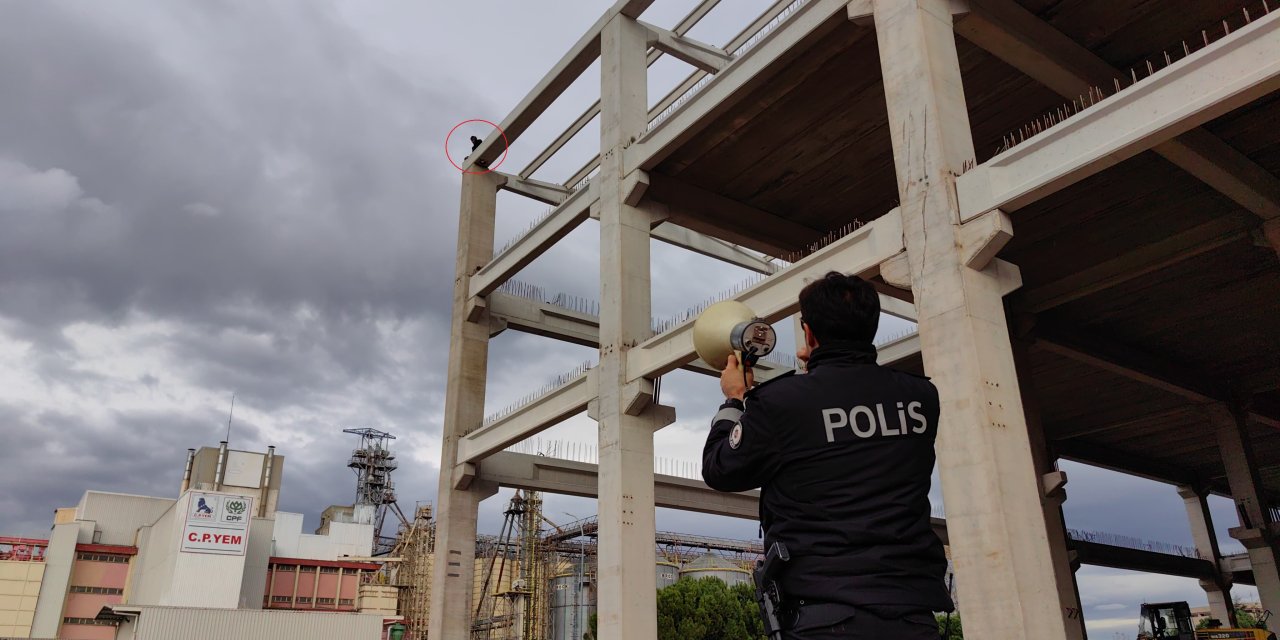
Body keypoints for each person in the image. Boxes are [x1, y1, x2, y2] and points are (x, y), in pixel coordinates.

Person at [702, 271, 952, 639]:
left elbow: (720, 469)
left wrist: (734, 400)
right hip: (913, 615)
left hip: (824, 616)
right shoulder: (921, 399)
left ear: (809, 334)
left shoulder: (781, 403)